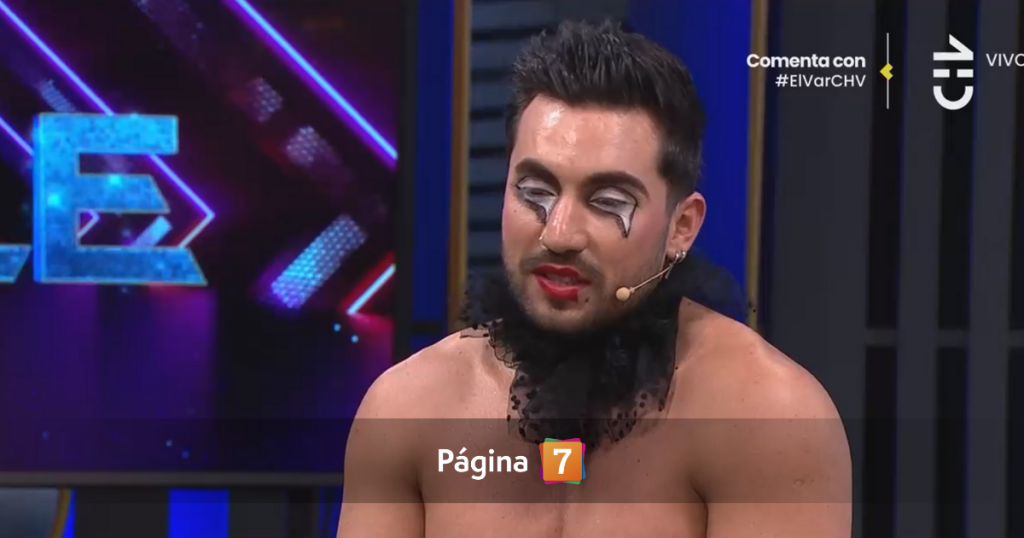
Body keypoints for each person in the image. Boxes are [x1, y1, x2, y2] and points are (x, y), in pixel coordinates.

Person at [338, 20, 851, 538]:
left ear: (682, 227)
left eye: (608, 202)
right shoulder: (406, 409)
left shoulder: (768, 416)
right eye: (535, 191)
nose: (559, 234)